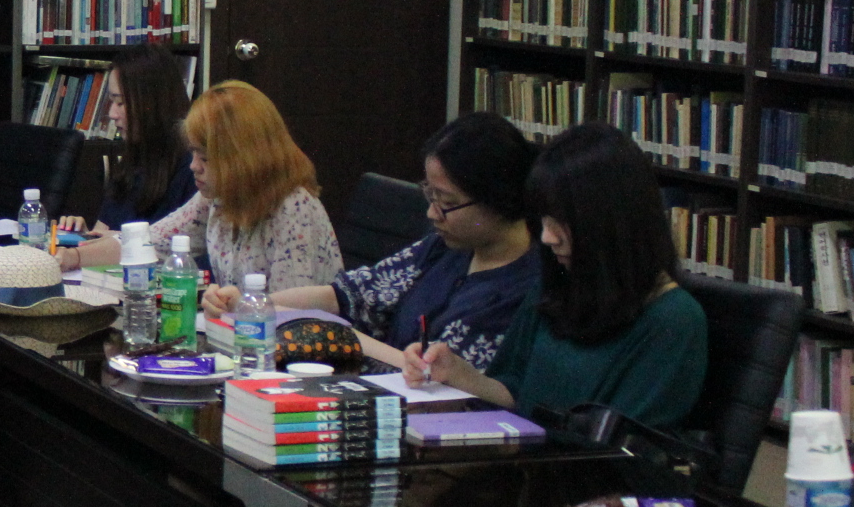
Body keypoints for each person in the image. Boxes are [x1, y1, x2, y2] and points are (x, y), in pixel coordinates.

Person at [403, 122, 708, 429]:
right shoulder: (557, 285)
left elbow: (622, 443)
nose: (546, 237)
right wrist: (459, 374)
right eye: (543, 219)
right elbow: (514, 392)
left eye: (561, 221)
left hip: (565, 459)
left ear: (609, 223)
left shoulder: (673, 320)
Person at [207, 112, 537, 371]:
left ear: (498, 200)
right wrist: (254, 304)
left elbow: (435, 373)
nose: (432, 213)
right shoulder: (443, 248)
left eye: (447, 203)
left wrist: (342, 337)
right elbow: (344, 295)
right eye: (430, 195)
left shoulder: (525, 288)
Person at [67, 80, 340, 289]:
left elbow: (294, 314)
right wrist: (72, 259)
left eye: (206, 158)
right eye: (194, 154)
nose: (193, 166)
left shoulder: (293, 210)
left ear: (244, 158)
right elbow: (150, 243)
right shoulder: (219, 196)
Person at [83, 44, 195, 231]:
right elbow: (103, 230)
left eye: (121, 102)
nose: (112, 114)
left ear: (151, 102)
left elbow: (170, 242)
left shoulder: (192, 167)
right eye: (112, 101)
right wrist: (84, 236)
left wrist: (111, 241)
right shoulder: (134, 158)